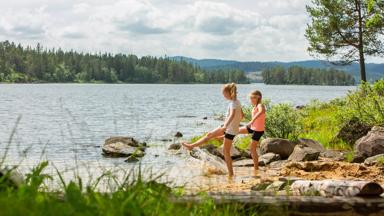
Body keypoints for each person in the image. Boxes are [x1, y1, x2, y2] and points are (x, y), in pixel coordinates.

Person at [183, 83, 243, 176]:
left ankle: (231, 174)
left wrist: (225, 125)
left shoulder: (233, 103)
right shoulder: (237, 102)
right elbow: (241, 115)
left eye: (224, 93)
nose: (223, 95)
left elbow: (232, 115)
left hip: (228, 128)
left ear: (228, 93)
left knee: (225, 151)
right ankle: (192, 145)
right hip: (231, 129)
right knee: (210, 136)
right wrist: (233, 125)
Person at [238, 90, 265, 171]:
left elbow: (261, 111)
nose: (252, 99)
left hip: (258, 130)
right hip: (252, 128)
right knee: (236, 130)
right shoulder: (255, 106)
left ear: (258, 97)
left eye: (254, 97)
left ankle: (256, 169)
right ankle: (222, 136)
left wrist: (252, 121)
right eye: (251, 98)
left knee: (252, 149)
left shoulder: (260, 105)